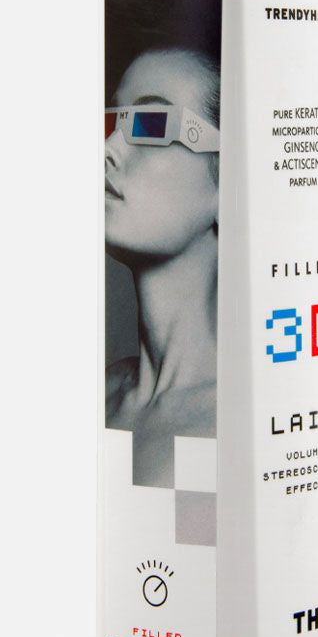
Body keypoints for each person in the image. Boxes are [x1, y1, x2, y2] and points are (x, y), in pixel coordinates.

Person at [104, 47, 220, 487]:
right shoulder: (101, 395)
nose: (108, 149)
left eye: (150, 124)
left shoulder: (232, 425)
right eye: (112, 122)